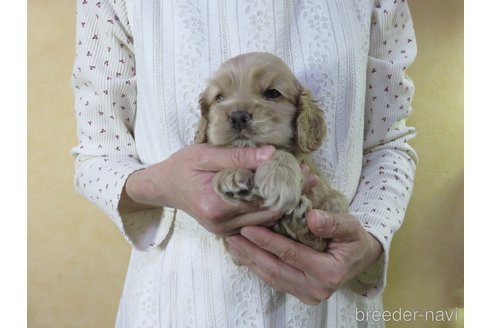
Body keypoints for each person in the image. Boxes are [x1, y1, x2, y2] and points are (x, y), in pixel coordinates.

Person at [71, 0, 417, 327]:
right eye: (220, 98)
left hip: (331, 299)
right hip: (183, 298)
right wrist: (164, 184)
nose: (238, 113)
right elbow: (96, 157)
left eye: (270, 94)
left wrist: (369, 239)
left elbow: (387, 142)